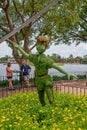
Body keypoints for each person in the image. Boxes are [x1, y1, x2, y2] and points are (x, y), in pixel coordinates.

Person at [13, 35, 77, 106]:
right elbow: (26, 55)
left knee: (50, 98)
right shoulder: (34, 57)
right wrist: (18, 48)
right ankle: (44, 108)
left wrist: (67, 73)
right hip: (38, 79)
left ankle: (53, 108)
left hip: (46, 80)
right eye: (39, 45)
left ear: (45, 47)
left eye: (42, 45)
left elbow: (56, 67)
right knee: (41, 98)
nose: (40, 47)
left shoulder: (46, 60)